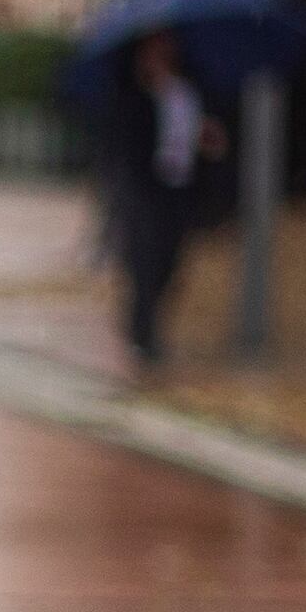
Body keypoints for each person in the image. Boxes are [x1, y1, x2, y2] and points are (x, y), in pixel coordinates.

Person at [91, 27, 214, 377]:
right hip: (143, 190)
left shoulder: (187, 93)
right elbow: (120, 144)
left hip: (180, 188)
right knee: (143, 261)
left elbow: (197, 137)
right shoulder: (131, 96)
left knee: (170, 261)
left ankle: (145, 323)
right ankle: (144, 336)